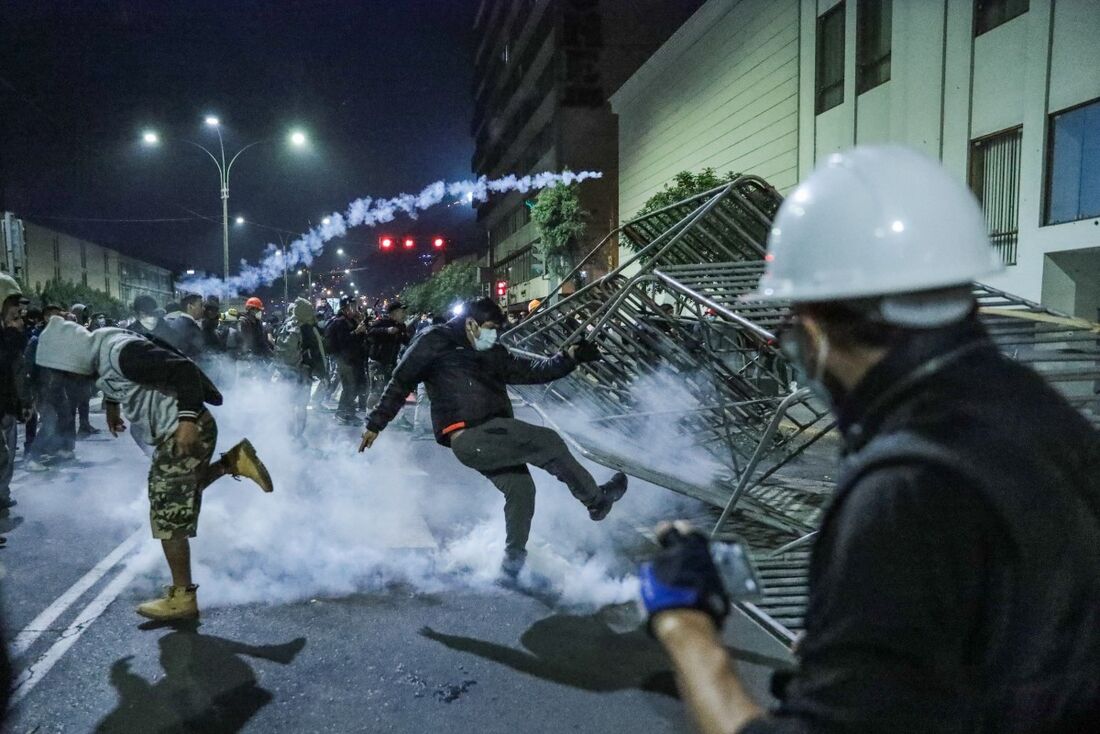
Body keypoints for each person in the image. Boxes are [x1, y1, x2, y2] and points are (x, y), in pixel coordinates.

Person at [639, 146, 1100, 733]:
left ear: (814, 324)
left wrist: (684, 622)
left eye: (790, 319)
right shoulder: (1030, 401)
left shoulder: (907, 487)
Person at [359, 297, 628, 579]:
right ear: (471, 324)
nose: (493, 334)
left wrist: (570, 357)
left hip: (492, 437)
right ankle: (596, 501)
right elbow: (401, 381)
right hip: (470, 434)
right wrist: (376, 423)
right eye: (489, 328)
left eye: (496, 329)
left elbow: (531, 371)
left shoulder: (490, 350)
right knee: (548, 441)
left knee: (521, 491)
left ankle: (512, 564)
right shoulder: (434, 340)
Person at [35, 316, 276, 621]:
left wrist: (187, 420)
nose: (65, 378)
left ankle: (183, 598)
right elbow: (119, 373)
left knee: (167, 514)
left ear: (68, 357)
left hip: (185, 431)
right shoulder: (101, 346)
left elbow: (183, 370)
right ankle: (234, 461)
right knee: (177, 495)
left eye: (62, 371)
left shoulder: (122, 353)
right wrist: (112, 404)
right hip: (181, 431)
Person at [273, 297, 326, 436]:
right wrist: (323, 373)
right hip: (302, 373)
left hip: (285, 372)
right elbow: (318, 352)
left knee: (288, 405)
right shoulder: (308, 328)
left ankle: (287, 435)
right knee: (301, 406)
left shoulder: (286, 325)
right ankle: (298, 436)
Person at [0, 274, 29, 511]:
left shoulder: (9, 331)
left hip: (5, 404)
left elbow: (17, 370)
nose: (17, 309)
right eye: (12, 302)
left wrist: (23, 401)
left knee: (5, 457)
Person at [325, 296, 367, 424]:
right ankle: (342, 413)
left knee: (357, 386)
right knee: (349, 386)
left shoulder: (352, 320)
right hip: (344, 359)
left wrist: (361, 325)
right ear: (345, 308)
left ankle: (348, 412)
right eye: (352, 306)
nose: (355, 309)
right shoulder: (340, 322)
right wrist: (357, 331)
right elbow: (343, 341)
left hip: (354, 359)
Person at [364, 301, 410, 411]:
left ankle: (397, 416)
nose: (404, 314)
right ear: (393, 313)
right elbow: (369, 331)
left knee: (396, 390)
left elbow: (407, 341)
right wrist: (386, 330)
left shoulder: (401, 326)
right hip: (377, 364)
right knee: (376, 391)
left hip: (391, 364)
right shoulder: (382, 322)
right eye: (401, 311)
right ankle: (369, 415)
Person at [161, 293, 205, 359]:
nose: (204, 309)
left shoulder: (174, 323)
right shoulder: (191, 327)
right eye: (201, 305)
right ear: (190, 306)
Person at [238, 296, 272, 361]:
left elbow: (261, 341)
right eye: (258, 309)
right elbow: (244, 341)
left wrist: (270, 353)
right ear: (250, 309)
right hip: (247, 357)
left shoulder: (258, 322)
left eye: (260, 310)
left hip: (258, 355)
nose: (259, 311)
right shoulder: (243, 321)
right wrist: (248, 355)